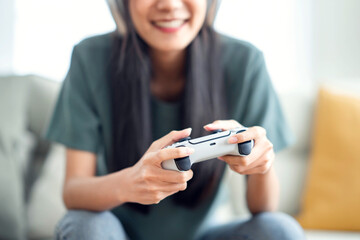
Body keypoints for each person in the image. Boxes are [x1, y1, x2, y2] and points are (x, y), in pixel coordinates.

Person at [47, 0, 305, 239]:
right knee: (84, 227)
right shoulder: (90, 57)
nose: (170, 5)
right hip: (116, 233)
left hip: (205, 234)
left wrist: (261, 165)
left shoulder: (245, 61)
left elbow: (263, 208)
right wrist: (131, 182)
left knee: (279, 230)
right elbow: (74, 191)